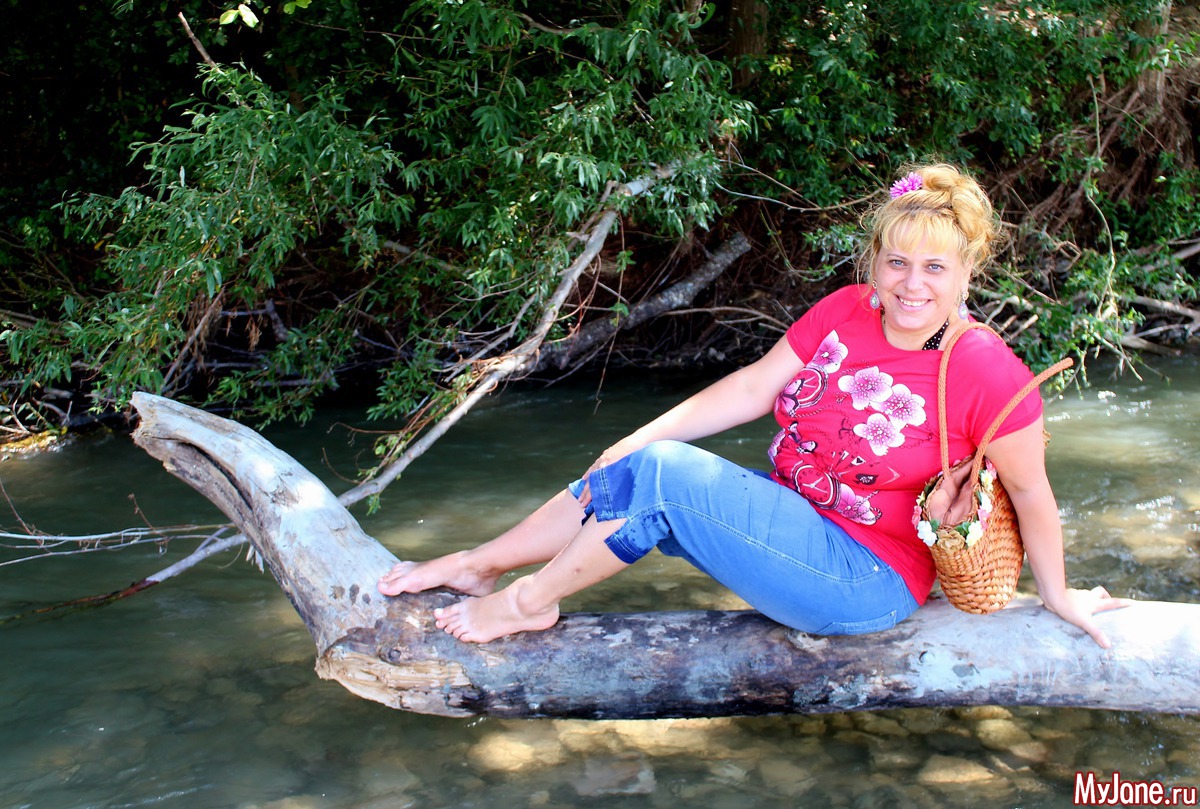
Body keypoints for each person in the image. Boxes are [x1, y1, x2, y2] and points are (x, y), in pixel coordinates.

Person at [378, 163, 1129, 646]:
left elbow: (1031, 491)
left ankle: (527, 603)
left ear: (967, 271)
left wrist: (1057, 594)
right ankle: (479, 563)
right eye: (897, 261)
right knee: (638, 466)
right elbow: (750, 388)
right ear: (874, 261)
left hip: (866, 577)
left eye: (935, 266)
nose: (912, 283)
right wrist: (631, 439)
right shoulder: (846, 309)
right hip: (791, 523)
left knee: (666, 474)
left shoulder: (983, 367)